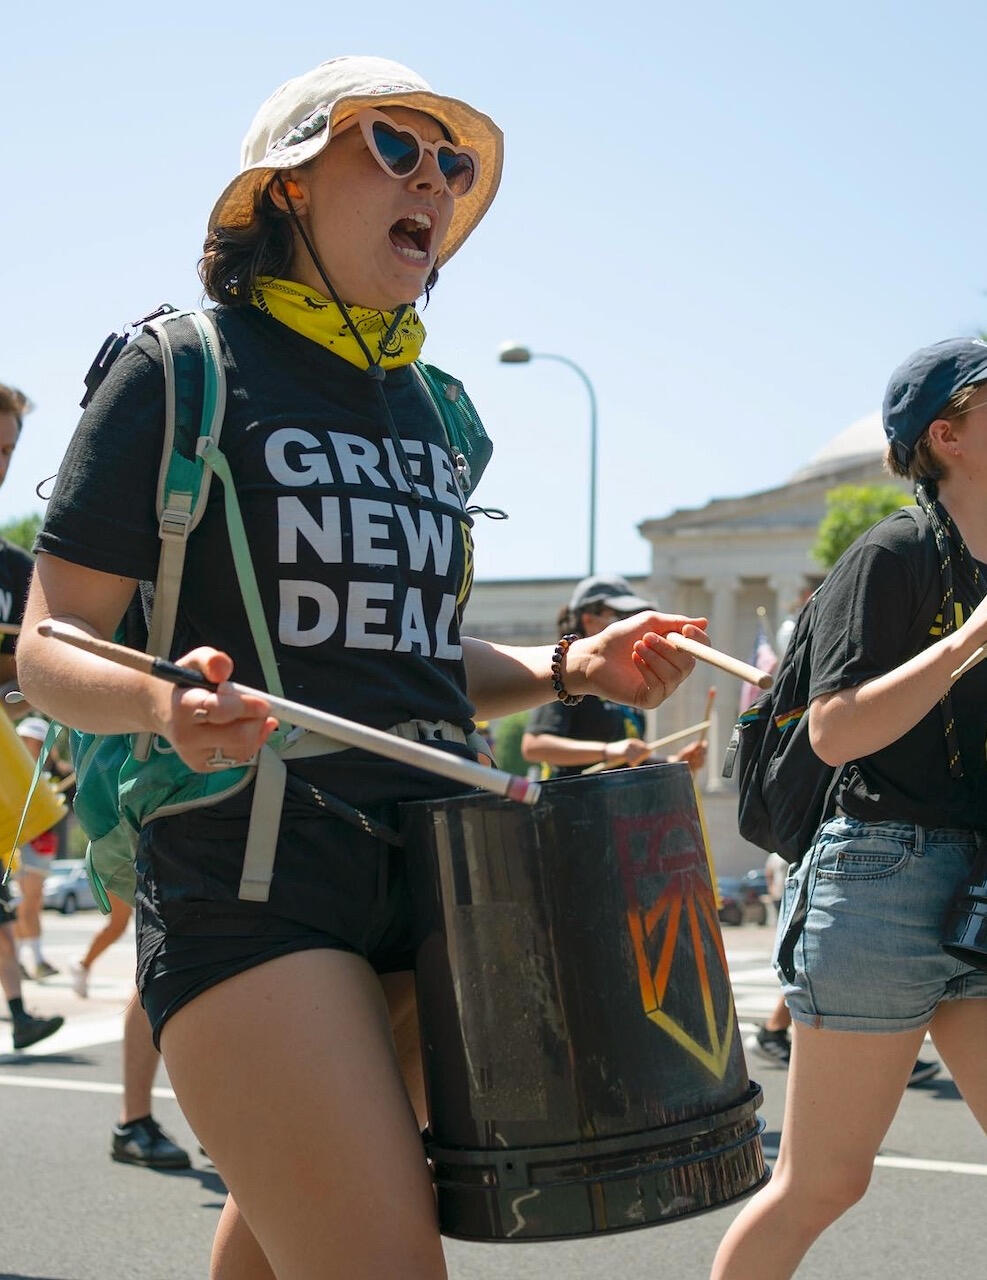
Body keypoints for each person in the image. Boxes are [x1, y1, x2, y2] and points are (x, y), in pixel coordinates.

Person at [17, 57, 708, 1279]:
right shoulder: (180, 368)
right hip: (247, 865)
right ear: (285, 185)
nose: (436, 184)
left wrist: (567, 663)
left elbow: (416, 660)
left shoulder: (437, 410)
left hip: (443, 874)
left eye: (455, 165)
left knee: (288, 1243)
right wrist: (164, 703)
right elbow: (49, 644)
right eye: (394, 147)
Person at [712, 336, 987, 1279]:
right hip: (880, 880)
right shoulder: (894, 551)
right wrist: (968, 642)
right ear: (947, 434)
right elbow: (833, 733)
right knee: (823, 1183)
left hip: (978, 883)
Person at [0, 384, 62, 1050]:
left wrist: (24, 695)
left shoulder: (20, 574)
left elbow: (30, 683)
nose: (1, 465)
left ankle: (18, 1013)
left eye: (10, 451)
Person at [522, 574, 709, 777]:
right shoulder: (567, 675)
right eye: (620, 617)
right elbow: (534, 745)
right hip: (571, 804)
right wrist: (608, 751)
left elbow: (628, 757)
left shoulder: (626, 682)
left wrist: (675, 762)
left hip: (617, 804)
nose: (630, 625)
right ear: (588, 620)